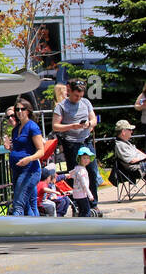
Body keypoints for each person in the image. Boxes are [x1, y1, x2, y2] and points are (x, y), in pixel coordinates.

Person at [52, 79, 99, 209]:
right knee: (75, 174)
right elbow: (55, 126)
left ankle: (93, 203)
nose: (78, 98)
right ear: (69, 91)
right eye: (76, 95)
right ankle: (79, 205)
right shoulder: (61, 106)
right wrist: (73, 126)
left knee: (92, 171)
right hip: (71, 143)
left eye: (81, 96)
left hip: (86, 141)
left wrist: (90, 123)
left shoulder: (86, 103)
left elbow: (94, 118)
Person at [8, 98, 46, 216]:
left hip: (29, 170)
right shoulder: (16, 129)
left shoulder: (32, 127)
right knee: (26, 205)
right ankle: (33, 230)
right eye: (17, 109)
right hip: (17, 169)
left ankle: (15, 231)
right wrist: (9, 147)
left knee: (18, 204)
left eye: (22, 109)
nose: (19, 112)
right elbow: (18, 149)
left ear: (28, 110)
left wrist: (28, 159)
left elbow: (41, 151)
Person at [71, 146, 96, 217]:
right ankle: (85, 224)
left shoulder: (76, 168)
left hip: (76, 194)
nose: (86, 160)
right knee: (86, 211)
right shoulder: (82, 171)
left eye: (88, 158)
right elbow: (84, 184)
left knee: (82, 210)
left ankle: (80, 222)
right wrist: (90, 195)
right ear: (79, 159)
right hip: (82, 194)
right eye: (84, 158)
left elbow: (71, 175)